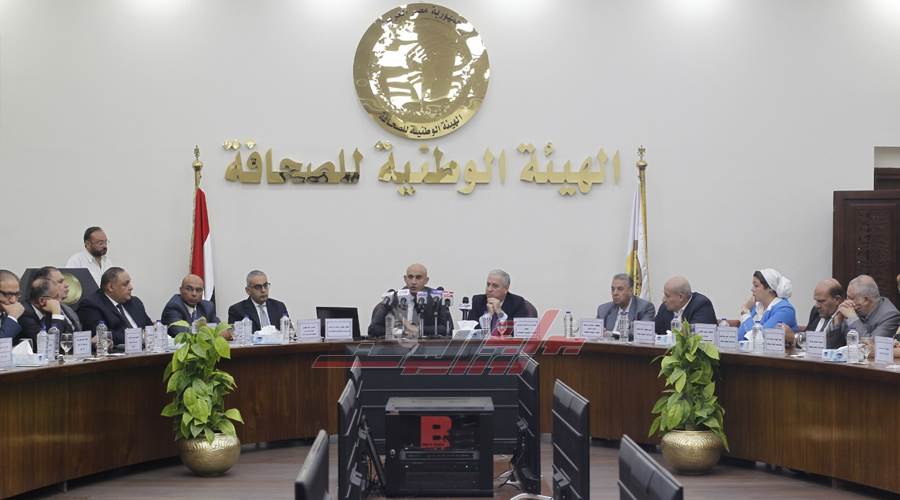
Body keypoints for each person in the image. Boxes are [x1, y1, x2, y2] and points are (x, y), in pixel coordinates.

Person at [367, 263, 453, 337]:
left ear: (426, 280)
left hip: (428, 348)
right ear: (405, 279)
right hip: (396, 347)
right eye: (410, 277)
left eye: (418, 277)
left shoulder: (436, 299)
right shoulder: (392, 299)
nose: (413, 282)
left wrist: (418, 329)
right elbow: (373, 329)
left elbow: (448, 329)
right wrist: (399, 331)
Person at [78, 267, 153, 346]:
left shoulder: (135, 302)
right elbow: (101, 336)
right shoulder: (91, 305)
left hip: (147, 349)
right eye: (125, 284)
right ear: (110, 287)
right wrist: (140, 338)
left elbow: (150, 328)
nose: (131, 287)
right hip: (120, 352)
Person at [826, 274, 900, 349]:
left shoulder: (890, 315)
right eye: (847, 297)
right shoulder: (850, 308)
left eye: (851, 298)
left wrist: (853, 318)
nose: (847, 302)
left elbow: (870, 348)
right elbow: (830, 347)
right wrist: (837, 323)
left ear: (866, 300)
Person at [737, 269, 798, 340]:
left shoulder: (785, 310)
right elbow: (739, 337)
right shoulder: (756, 307)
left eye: (756, 286)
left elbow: (758, 338)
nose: (752, 289)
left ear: (770, 288)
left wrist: (745, 312)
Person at [468, 269, 537, 331]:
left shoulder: (517, 302)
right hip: (483, 342)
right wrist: (488, 316)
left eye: (495, 286)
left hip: (506, 341)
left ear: (506, 289)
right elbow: (470, 330)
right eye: (488, 284)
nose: (489, 289)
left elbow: (517, 331)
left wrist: (499, 312)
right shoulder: (478, 301)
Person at [161, 274, 226, 338]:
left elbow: (221, 330)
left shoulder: (208, 306)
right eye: (189, 289)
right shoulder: (174, 306)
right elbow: (183, 334)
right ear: (181, 290)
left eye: (198, 290)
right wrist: (212, 332)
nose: (194, 294)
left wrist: (221, 332)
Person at [18, 278, 74, 345]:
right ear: (42, 301)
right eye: (56, 297)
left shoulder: (49, 311)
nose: (59, 302)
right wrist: (56, 314)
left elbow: (69, 338)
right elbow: (48, 345)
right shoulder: (24, 314)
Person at [31, 266, 81, 331]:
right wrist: (56, 313)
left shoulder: (67, 309)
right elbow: (54, 336)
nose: (67, 285)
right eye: (60, 282)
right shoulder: (28, 315)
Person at [0, 270, 24, 340]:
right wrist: (13, 317)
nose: (13, 300)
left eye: (17, 294)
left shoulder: (5, 315)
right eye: (8, 294)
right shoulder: (12, 315)